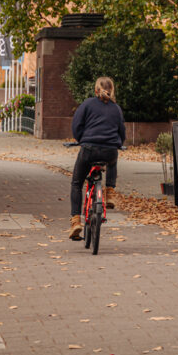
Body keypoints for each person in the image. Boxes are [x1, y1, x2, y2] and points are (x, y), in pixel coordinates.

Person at [68, 77, 125, 240]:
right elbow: (122, 132)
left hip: (89, 149)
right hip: (109, 151)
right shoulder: (116, 109)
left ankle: (75, 221)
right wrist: (118, 143)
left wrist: (81, 140)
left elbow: (76, 125)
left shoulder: (87, 104)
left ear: (95, 90)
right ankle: (110, 191)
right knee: (114, 158)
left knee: (77, 183)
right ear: (112, 90)